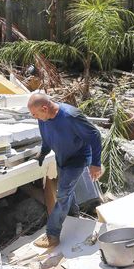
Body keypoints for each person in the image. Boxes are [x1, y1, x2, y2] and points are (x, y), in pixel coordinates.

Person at [28, 93, 102, 248]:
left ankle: (52, 235)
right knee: (67, 191)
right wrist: (42, 153)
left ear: (44, 108)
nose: (34, 117)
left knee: (62, 195)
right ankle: (74, 217)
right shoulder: (44, 118)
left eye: (35, 114)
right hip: (62, 158)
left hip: (78, 159)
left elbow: (94, 135)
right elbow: (47, 138)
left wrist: (96, 163)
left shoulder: (70, 116)